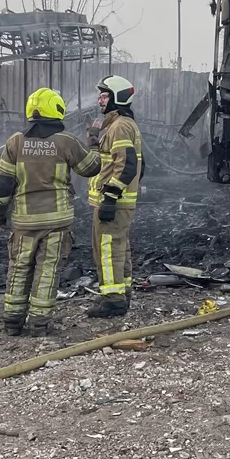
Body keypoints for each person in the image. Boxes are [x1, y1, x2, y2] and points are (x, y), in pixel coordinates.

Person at [0, 88, 102, 336]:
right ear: (57, 109)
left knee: (19, 268)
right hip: (56, 222)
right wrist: (93, 140)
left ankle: (12, 322)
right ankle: (39, 323)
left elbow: (2, 184)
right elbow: (92, 168)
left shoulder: (15, 142)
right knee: (48, 271)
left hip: (24, 222)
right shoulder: (66, 142)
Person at [86, 74, 143, 318]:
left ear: (116, 98)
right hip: (117, 201)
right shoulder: (122, 125)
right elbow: (123, 163)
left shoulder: (119, 126)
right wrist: (93, 139)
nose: (100, 100)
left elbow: (127, 164)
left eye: (104, 96)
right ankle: (121, 291)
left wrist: (110, 198)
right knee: (118, 248)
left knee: (108, 250)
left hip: (113, 203)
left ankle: (113, 300)